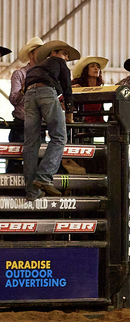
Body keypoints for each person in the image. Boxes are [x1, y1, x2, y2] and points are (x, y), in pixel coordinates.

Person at [22, 40, 81, 201]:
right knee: (60, 136)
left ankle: (31, 191)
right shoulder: (59, 63)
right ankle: (44, 176)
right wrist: (69, 110)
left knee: (30, 142)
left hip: (29, 95)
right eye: (64, 53)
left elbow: (25, 87)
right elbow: (67, 87)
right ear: (53, 53)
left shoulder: (35, 68)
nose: (66, 57)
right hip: (47, 93)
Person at [7, 37, 44, 174]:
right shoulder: (20, 74)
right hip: (21, 124)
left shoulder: (45, 75)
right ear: (31, 54)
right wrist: (23, 91)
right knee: (15, 161)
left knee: (38, 161)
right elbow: (13, 99)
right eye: (39, 51)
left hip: (37, 124)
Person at [71, 56, 108, 123]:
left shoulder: (101, 89)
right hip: (80, 122)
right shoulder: (77, 86)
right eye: (92, 66)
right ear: (85, 70)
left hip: (98, 122)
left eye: (98, 67)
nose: (96, 68)